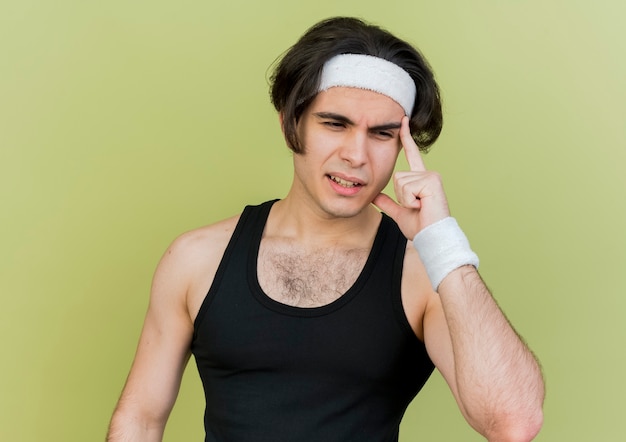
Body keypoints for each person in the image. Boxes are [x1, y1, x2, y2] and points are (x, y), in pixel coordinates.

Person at [107, 16, 545, 442]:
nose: (356, 154)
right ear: (289, 124)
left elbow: (513, 422)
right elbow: (141, 418)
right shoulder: (196, 257)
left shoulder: (424, 274)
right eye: (335, 124)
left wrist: (442, 242)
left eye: (382, 134)